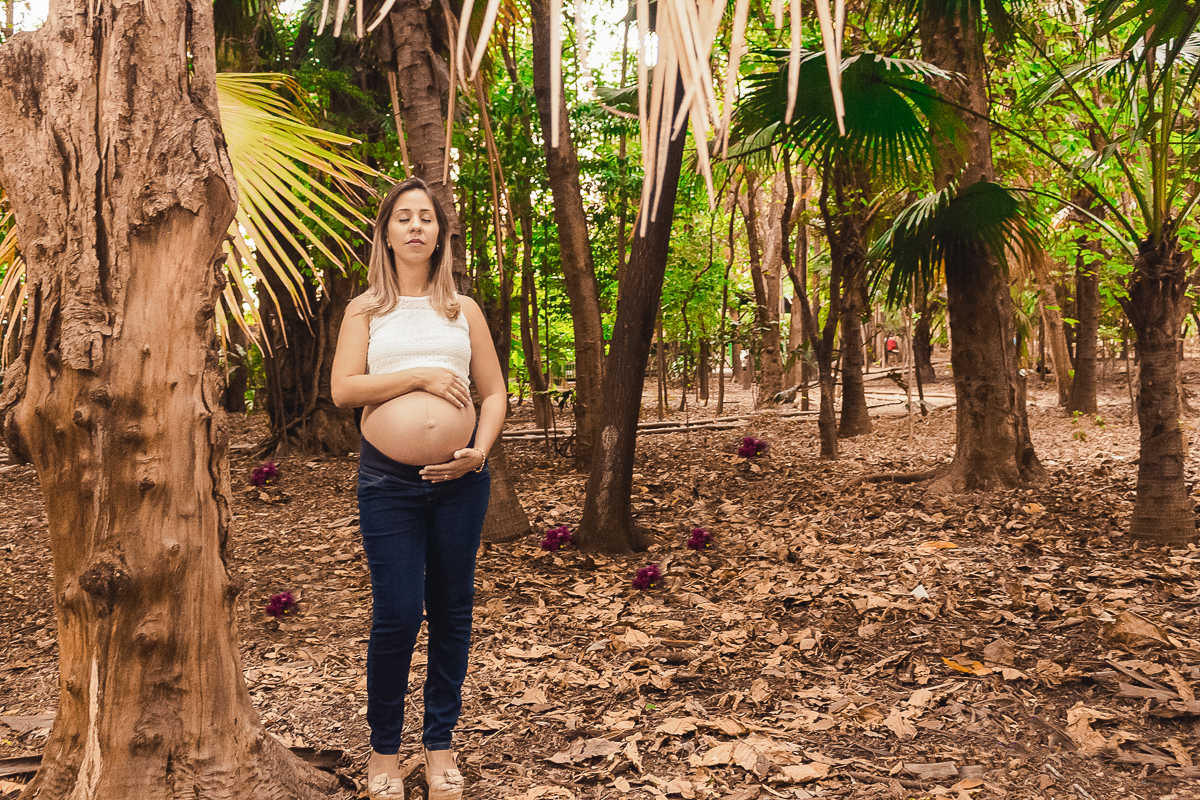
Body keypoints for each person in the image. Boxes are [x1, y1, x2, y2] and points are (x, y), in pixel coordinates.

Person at [331, 177, 506, 800]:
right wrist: (423, 376)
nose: (414, 226)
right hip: (389, 483)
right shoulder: (366, 309)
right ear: (386, 232)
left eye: (425, 218)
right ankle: (384, 753)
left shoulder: (464, 309)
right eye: (402, 217)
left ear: (440, 232)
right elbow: (345, 388)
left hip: (461, 484)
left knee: (453, 610)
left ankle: (440, 747)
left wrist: (478, 454)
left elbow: (494, 393)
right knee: (399, 614)